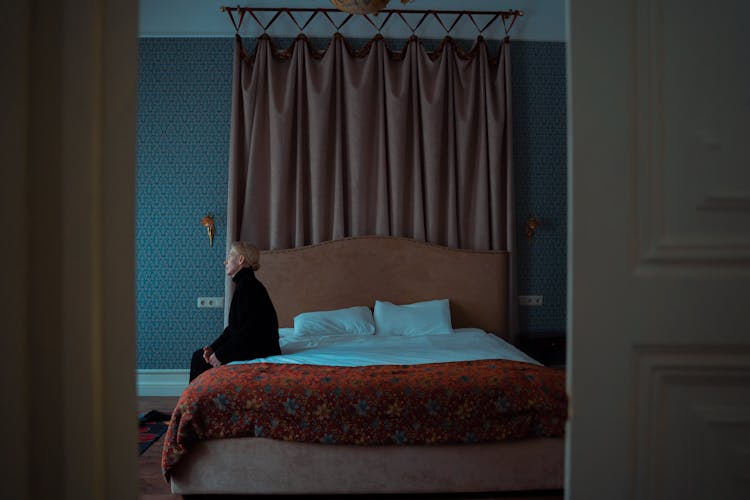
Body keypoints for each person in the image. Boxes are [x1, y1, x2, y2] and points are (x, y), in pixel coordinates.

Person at [189, 242, 281, 382]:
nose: (225, 261)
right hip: (252, 344)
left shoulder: (249, 287)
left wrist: (221, 354)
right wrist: (213, 347)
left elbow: (249, 332)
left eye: (230, 255)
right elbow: (234, 328)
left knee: (199, 359)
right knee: (199, 355)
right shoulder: (245, 284)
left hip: (260, 348)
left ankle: (195, 403)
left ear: (240, 260)